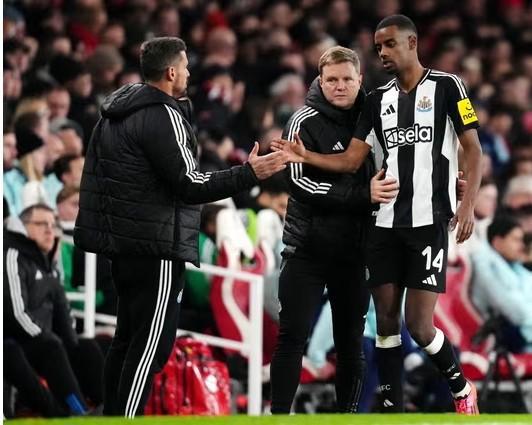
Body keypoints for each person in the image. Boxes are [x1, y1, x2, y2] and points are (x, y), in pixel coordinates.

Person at [272, 15, 483, 414]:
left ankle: (460, 386)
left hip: (425, 223)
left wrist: (466, 202)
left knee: (417, 326)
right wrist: (306, 155)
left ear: (412, 42)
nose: (382, 52)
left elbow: (472, 149)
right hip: (375, 227)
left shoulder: (448, 86)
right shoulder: (375, 101)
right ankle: (390, 409)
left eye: (389, 44)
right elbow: (350, 162)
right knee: (383, 323)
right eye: (378, 46)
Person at [73, 36, 288, 418]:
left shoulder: (113, 115)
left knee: (127, 339)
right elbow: (191, 184)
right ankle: (124, 420)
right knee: (150, 345)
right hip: (155, 246)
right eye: (186, 66)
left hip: (122, 244)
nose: (189, 73)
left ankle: (112, 417)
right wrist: (248, 173)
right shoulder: (163, 114)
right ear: (171, 72)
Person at [269, 46, 399, 414]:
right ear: (320, 81)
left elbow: (397, 170)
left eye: (346, 79)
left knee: (350, 343)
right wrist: (361, 195)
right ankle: (278, 418)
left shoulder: (375, 120)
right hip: (306, 250)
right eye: (331, 80)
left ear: (360, 80)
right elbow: (298, 183)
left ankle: (347, 419)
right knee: (292, 337)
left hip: (355, 251)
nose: (339, 86)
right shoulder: (303, 121)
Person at [4, 204, 104, 416]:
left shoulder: (49, 265)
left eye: (53, 224)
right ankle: (77, 413)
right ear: (23, 228)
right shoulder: (12, 255)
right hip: (16, 340)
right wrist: (46, 336)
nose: (50, 230)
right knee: (51, 346)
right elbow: (15, 313)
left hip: (43, 342)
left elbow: (63, 314)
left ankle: (110, 410)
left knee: (86, 346)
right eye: (42, 224)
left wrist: (71, 342)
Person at [471, 215, 532, 353]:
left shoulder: (515, 267)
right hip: (501, 337)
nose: (522, 246)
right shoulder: (487, 265)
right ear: (498, 242)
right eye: (516, 240)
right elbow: (516, 312)